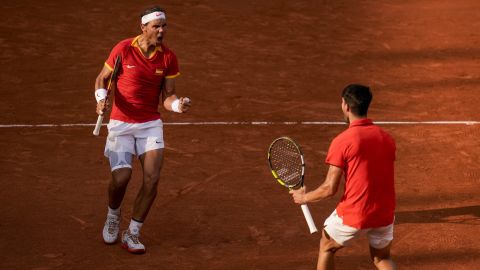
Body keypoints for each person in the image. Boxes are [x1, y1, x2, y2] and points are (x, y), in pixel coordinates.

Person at [93, 6, 191, 254]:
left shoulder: (168, 57)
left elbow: (168, 97)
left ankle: (132, 233)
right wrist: (101, 98)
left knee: (152, 179)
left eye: (164, 26)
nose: (161, 30)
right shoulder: (123, 49)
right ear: (144, 27)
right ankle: (113, 215)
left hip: (149, 126)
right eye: (156, 26)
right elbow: (102, 78)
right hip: (120, 125)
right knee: (121, 178)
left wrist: (178, 105)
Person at [290, 84, 396, 270]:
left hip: (356, 213)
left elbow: (329, 188)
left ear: (346, 106)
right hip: (385, 212)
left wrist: (303, 197)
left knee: (326, 247)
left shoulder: (343, 141)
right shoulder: (386, 138)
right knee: (381, 258)